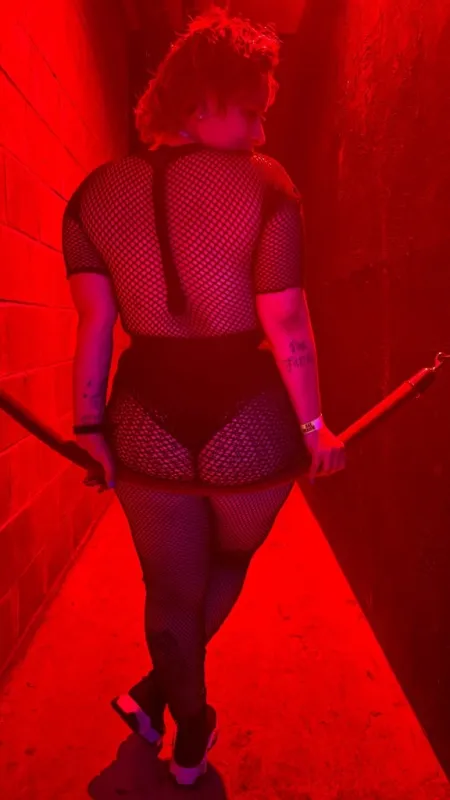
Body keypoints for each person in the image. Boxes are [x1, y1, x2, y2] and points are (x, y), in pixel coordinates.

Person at [62, 7, 345, 788]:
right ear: (199, 102)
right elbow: (286, 322)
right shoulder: (266, 185)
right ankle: (177, 712)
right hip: (248, 421)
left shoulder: (91, 199)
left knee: (169, 585)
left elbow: (95, 326)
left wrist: (88, 425)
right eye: (250, 111)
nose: (260, 131)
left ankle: (180, 717)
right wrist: (314, 426)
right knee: (229, 558)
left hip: (142, 418)